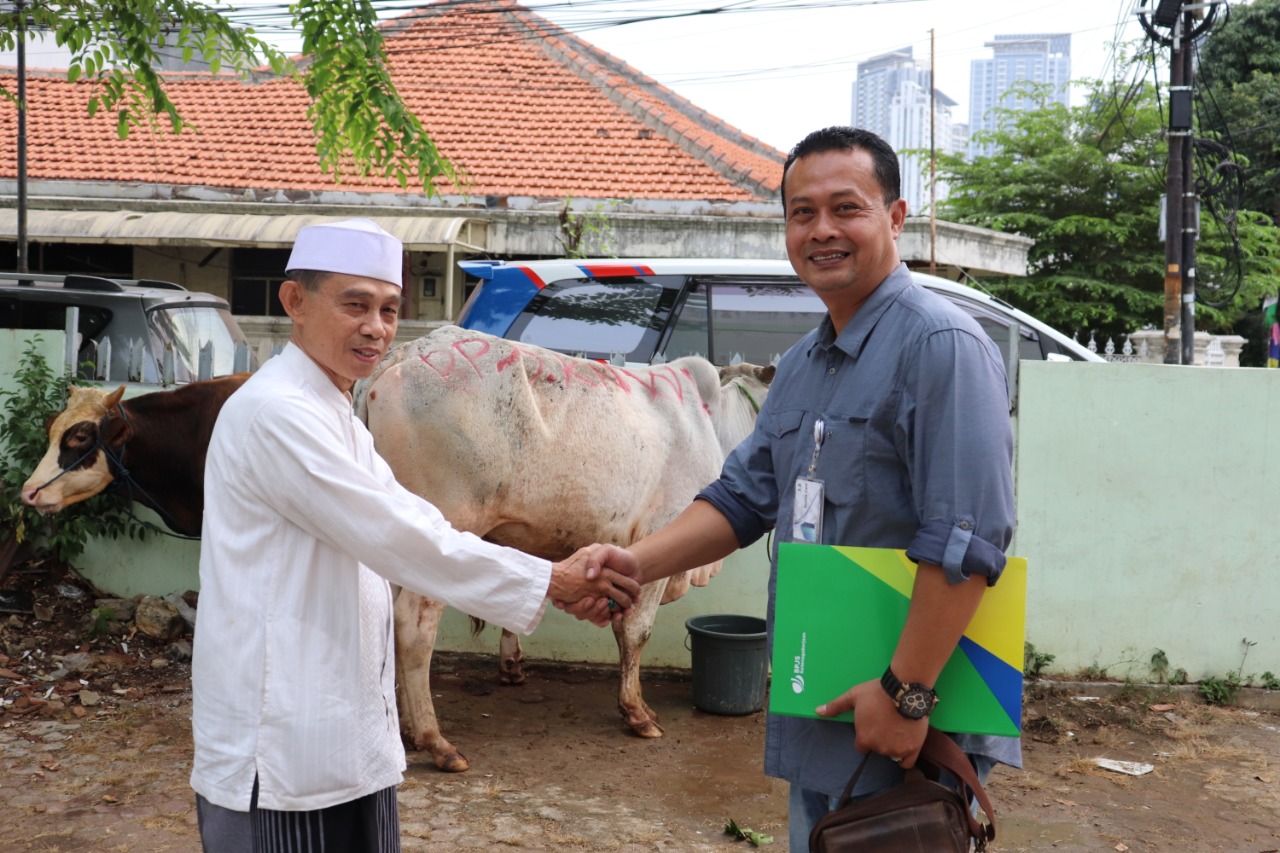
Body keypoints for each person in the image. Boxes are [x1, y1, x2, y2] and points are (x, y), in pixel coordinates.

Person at [576, 126, 1017, 848]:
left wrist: (905, 694)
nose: (822, 230)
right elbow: (744, 496)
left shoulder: (942, 348)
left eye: (847, 208)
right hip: (828, 698)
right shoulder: (808, 361)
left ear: (896, 218)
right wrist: (637, 564)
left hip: (907, 717)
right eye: (801, 212)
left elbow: (969, 544)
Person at [190, 217, 640, 853]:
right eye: (355, 305)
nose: (376, 327)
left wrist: (548, 578)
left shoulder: (331, 409)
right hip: (283, 736)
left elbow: (416, 514)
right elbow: (397, 535)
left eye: (390, 309)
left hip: (340, 727)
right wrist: (553, 579)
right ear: (294, 301)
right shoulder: (278, 413)